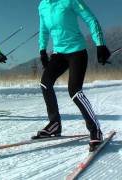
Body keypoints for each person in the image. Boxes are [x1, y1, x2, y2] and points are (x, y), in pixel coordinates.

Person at [34, 0, 111, 152]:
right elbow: (43, 29)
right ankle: (54, 124)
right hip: (59, 53)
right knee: (45, 83)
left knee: (74, 91)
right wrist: (42, 50)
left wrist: (100, 44)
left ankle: (95, 130)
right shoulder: (42, 6)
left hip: (77, 51)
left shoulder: (69, 0)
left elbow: (90, 19)